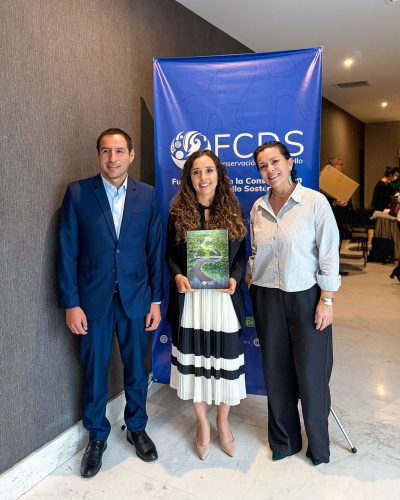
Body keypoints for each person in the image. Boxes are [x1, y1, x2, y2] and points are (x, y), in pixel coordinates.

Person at [58, 128, 164, 478]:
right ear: (99, 156)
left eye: (119, 151)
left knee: (137, 369)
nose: (112, 158)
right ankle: (97, 437)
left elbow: (154, 251)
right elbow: (67, 252)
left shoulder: (147, 195)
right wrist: (71, 303)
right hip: (92, 303)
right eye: (106, 151)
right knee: (94, 371)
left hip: (136, 298)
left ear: (131, 155)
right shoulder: (77, 193)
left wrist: (156, 300)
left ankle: (137, 427)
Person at [246, 141, 341, 465]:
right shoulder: (258, 207)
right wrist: (251, 273)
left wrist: (326, 299)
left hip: (306, 296)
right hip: (267, 296)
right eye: (263, 165)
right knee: (276, 373)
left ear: (289, 162)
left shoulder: (314, 202)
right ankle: (284, 441)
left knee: (312, 375)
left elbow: (328, 254)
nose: (269, 169)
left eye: (275, 162)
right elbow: (256, 250)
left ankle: (318, 447)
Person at [166, 149, 247, 460]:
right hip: (193, 301)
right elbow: (169, 254)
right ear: (189, 177)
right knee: (196, 365)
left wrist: (235, 278)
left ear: (218, 174)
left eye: (209, 170)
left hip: (224, 301)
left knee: (226, 363)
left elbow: (241, 256)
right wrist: (177, 275)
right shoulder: (178, 213)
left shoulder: (234, 210)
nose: (203, 177)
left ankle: (222, 422)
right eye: (196, 171)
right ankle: (202, 424)